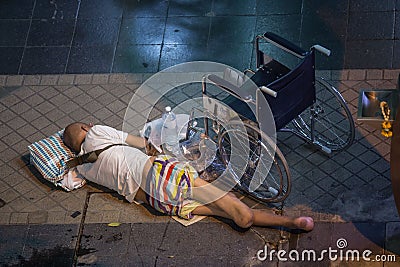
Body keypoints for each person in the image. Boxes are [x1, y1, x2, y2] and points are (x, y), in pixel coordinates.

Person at [63, 122, 314, 231]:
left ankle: (292, 223)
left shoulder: (83, 169)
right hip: (158, 174)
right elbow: (140, 142)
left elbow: (68, 180)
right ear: (86, 127)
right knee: (225, 199)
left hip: (156, 202)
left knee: (224, 209)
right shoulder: (97, 133)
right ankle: (259, 216)